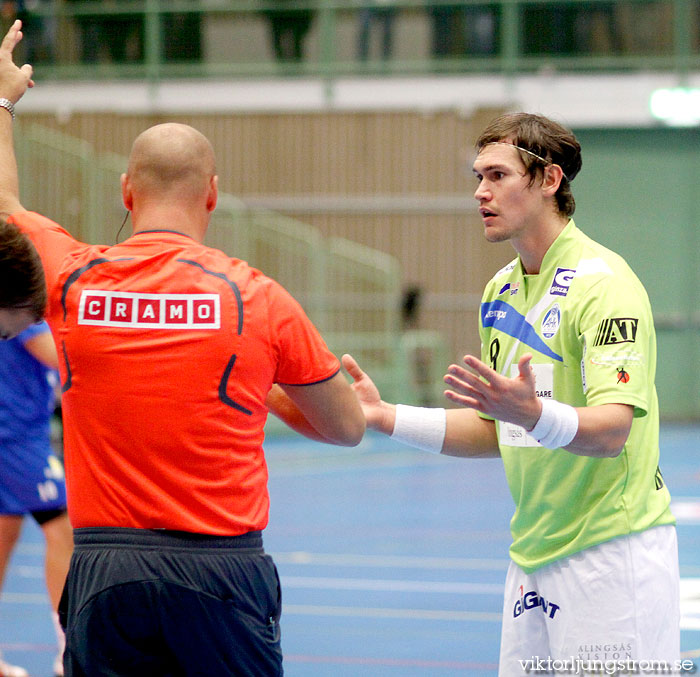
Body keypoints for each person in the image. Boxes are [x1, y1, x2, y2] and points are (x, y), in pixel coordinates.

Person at [0, 20, 365, 676]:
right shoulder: (261, 298)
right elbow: (347, 425)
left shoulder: (73, 276)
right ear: (214, 194)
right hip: (222, 571)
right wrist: (275, 393)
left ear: (125, 192)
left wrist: (1, 103)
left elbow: (3, 204)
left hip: (105, 571)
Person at [342, 112, 679, 672]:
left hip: (610, 554)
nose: (480, 192)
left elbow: (613, 430)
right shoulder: (500, 290)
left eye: (497, 175)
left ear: (548, 181)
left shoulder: (603, 284)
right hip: (531, 555)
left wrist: (534, 412)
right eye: (478, 176)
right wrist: (384, 417)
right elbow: (498, 431)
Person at [0, 321, 72, 677]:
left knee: (3, 536)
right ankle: (69, 649)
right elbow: (63, 360)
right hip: (17, 439)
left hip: (16, 434)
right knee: (63, 530)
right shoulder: (23, 305)